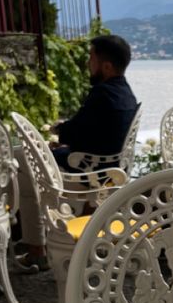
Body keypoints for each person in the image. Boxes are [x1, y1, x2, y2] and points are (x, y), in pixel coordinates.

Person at [15, 34, 138, 272]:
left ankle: (36, 249)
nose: (87, 64)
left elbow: (72, 132)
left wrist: (58, 134)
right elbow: (89, 131)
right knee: (37, 158)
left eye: (91, 58)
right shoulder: (126, 93)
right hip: (107, 168)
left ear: (106, 66)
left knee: (23, 160)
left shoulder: (102, 94)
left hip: (88, 173)